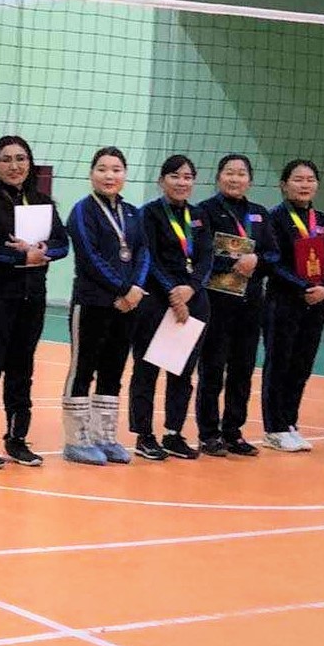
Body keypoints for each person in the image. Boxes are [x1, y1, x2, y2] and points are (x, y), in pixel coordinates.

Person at [0, 135, 68, 468]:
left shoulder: (41, 201)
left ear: (30, 163)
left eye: (21, 159)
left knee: (22, 370)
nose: (14, 166)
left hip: (31, 299)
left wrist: (44, 251)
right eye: (6, 159)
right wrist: (22, 258)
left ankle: (17, 440)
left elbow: (62, 244)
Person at [63, 146, 148, 465]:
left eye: (116, 169)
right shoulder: (82, 211)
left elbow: (143, 253)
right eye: (102, 169)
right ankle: (76, 441)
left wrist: (136, 289)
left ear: (124, 174)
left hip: (127, 306)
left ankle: (105, 437)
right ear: (91, 174)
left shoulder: (133, 213)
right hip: (92, 303)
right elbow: (89, 257)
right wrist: (124, 288)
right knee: (83, 369)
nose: (109, 175)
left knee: (113, 370)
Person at [128, 154, 213, 461]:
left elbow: (206, 258)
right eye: (175, 176)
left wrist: (192, 287)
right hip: (156, 300)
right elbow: (148, 257)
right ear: (161, 180)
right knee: (147, 369)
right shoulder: (148, 214)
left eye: (188, 177)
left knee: (183, 371)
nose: (181, 182)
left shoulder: (199, 215)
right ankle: (144, 436)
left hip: (193, 300)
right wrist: (173, 294)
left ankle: (173, 434)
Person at [195, 154, 279, 456]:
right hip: (216, 303)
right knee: (212, 369)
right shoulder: (204, 211)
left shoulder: (259, 214)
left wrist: (256, 260)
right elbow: (201, 255)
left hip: (250, 304)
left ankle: (233, 431)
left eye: (241, 174)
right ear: (219, 177)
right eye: (229, 173)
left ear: (250, 181)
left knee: (242, 370)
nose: (235, 178)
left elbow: (273, 254)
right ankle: (209, 434)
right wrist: (231, 262)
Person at [260, 159, 324, 452]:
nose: (305, 185)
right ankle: (274, 428)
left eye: (310, 179)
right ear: (284, 185)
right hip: (283, 302)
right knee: (279, 364)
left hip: (315, 303)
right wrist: (304, 287)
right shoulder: (274, 218)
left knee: (302, 365)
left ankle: (290, 422)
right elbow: (272, 261)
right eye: (298, 179)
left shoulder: (323, 220)